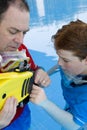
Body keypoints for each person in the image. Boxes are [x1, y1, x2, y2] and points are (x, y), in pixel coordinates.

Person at [0, 0, 50, 130]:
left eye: (24, 32)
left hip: (21, 116)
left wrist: (39, 72)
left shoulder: (20, 49)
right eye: (12, 31)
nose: (20, 40)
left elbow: (32, 69)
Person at [30, 19, 87, 130]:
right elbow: (57, 67)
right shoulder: (70, 66)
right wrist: (45, 75)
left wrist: (45, 103)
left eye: (65, 60)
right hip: (73, 103)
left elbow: (73, 125)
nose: (59, 63)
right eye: (58, 56)